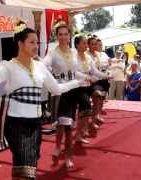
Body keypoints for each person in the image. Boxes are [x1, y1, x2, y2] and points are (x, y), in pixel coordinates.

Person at [0, 21, 82, 179]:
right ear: (20, 44)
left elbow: (56, 89)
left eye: (37, 42)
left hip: (35, 124)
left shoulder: (40, 67)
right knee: (25, 165)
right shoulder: (8, 66)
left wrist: (77, 82)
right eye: (32, 42)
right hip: (15, 124)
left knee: (26, 166)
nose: (36, 46)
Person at [44, 24, 87, 169]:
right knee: (65, 125)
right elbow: (45, 66)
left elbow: (76, 72)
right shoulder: (52, 52)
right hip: (61, 93)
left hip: (73, 91)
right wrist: (47, 72)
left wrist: (88, 77)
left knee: (66, 125)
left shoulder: (74, 52)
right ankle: (63, 152)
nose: (63, 37)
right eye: (60, 34)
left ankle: (63, 151)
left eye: (65, 34)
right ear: (57, 36)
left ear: (70, 36)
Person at [74, 35, 110, 144]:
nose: (86, 46)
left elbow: (94, 71)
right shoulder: (73, 57)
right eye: (84, 43)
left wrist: (105, 76)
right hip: (78, 86)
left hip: (88, 86)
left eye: (86, 43)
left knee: (86, 109)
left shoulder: (88, 57)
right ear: (77, 45)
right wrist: (87, 77)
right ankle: (80, 133)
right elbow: (74, 72)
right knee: (85, 109)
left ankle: (81, 133)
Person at [87, 36, 111, 126]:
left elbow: (100, 68)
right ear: (88, 45)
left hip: (101, 80)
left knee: (100, 99)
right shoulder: (86, 55)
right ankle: (94, 117)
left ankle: (95, 117)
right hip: (90, 81)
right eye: (92, 44)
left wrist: (107, 72)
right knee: (96, 97)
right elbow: (92, 70)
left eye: (96, 44)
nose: (95, 46)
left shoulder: (98, 55)